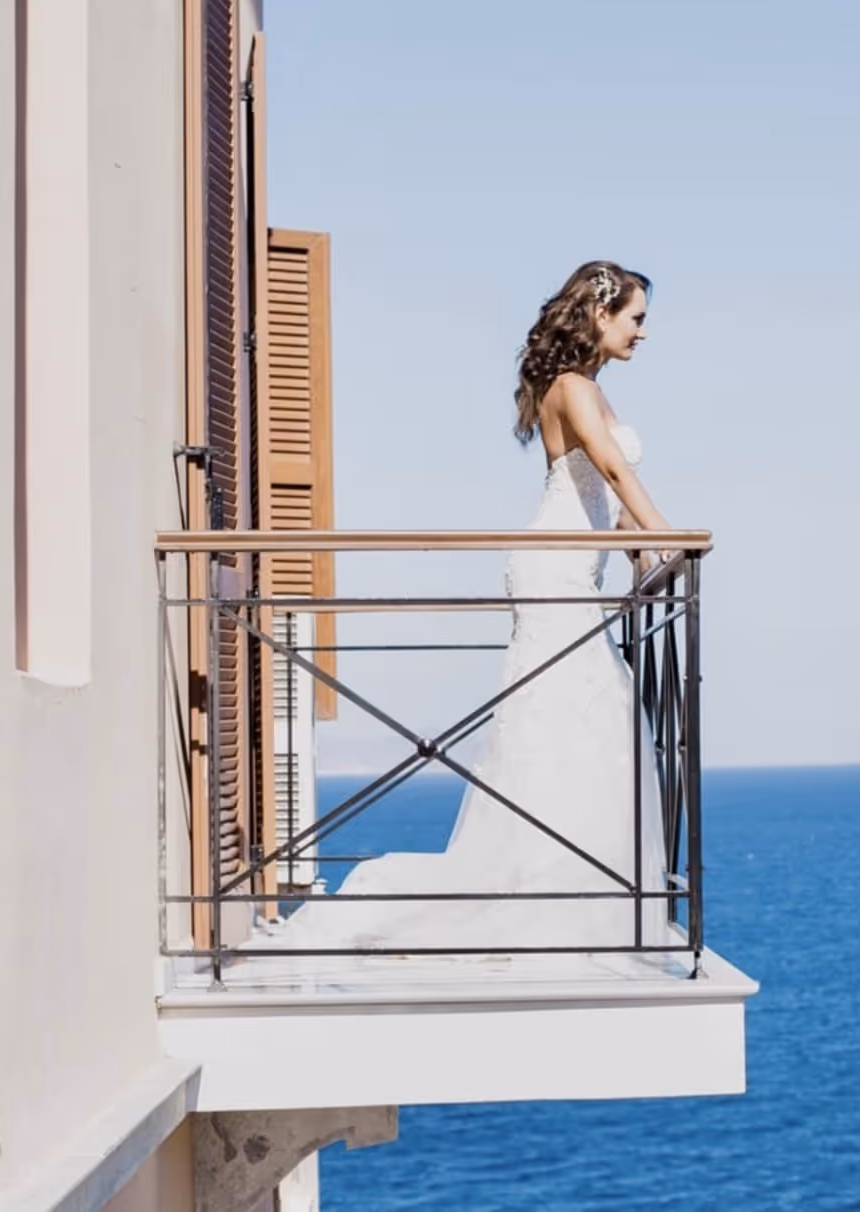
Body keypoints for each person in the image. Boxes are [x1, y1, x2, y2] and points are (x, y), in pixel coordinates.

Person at [259, 260, 673, 954]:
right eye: (636, 317)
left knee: (588, 714)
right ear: (599, 314)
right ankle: (546, 895)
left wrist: (638, 550)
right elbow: (608, 468)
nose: (644, 333)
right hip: (554, 571)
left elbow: (601, 494)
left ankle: (579, 893)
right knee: (569, 711)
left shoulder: (589, 389)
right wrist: (665, 533)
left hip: (579, 566)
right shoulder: (571, 387)